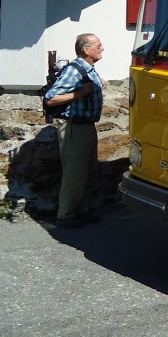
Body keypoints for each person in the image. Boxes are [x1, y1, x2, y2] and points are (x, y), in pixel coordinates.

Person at [43, 33, 105, 227]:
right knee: (75, 174)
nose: (102, 49)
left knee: (88, 172)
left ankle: (82, 210)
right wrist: (80, 93)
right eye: (98, 45)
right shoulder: (74, 70)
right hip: (74, 128)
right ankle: (66, 215)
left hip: (86, 126)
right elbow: (51, 98)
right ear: (86, 50)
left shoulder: (89, 69)